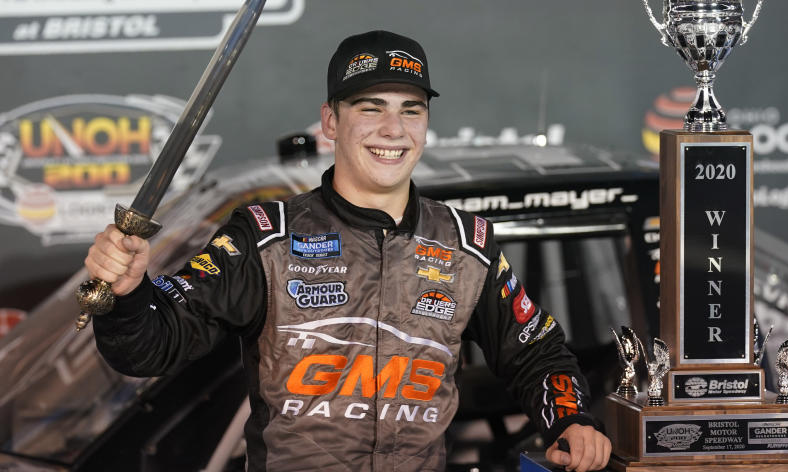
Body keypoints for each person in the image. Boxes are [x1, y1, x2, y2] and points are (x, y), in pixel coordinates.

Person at [85, 30, 612, 472]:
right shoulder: (265, 236)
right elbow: (151, 349)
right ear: (331, 122)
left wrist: (570, 419)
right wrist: (128, 295)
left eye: (411, 109)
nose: (393, 129)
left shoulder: (465, 244)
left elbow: (536, 352)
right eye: (371, 108)